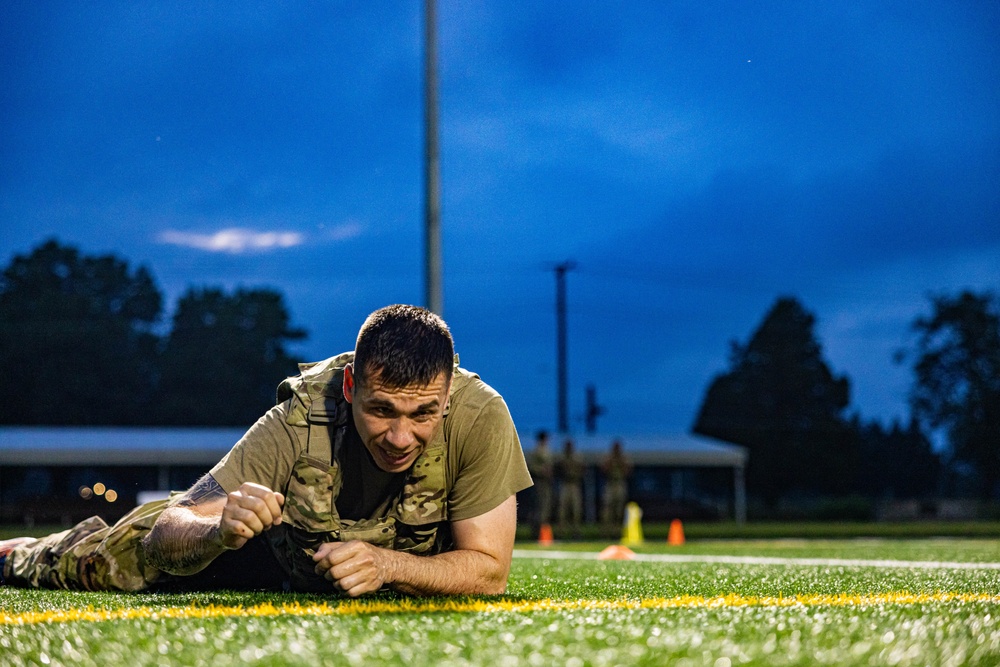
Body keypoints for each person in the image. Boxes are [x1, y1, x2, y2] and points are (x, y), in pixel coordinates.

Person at [0, 305, 532, 597]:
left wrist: (387, 564)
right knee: (112, 564)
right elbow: (172, 526)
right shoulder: (300, 418)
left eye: (423, 415)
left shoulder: (479, 416)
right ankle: (20, 550)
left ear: (444, 395)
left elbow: (488, 571)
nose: (400, 437)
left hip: (382, 562)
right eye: (382, 411)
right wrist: (217, 531)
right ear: (350, 387)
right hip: (270, 552)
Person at [600, 439, 633, 535]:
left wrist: (621, 463)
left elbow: (628, 471)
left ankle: (618, 530)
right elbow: (603, 470)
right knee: (607, 507)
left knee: (619, 508)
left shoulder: (624, 458)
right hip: (610, 484)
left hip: (620, 483)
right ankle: (606, 530)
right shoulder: (608, 457)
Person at [556, 438, 584, 537]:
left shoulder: (577, 458)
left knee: (576, 510)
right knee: (562, 509)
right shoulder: (562, 458)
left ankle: (576, 531)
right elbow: (558, 470)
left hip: (574, 484)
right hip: (565, 484)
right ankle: (561, 531)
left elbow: (581, 470)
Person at [526, 430, 554, 531]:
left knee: (546, 505)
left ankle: (543, 528)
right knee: (538, 506)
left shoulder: (547, 450)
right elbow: (532, 467)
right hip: (539, 482)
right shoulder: (536, 451)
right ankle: (536, 529)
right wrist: (541, 470)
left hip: (546, 483)